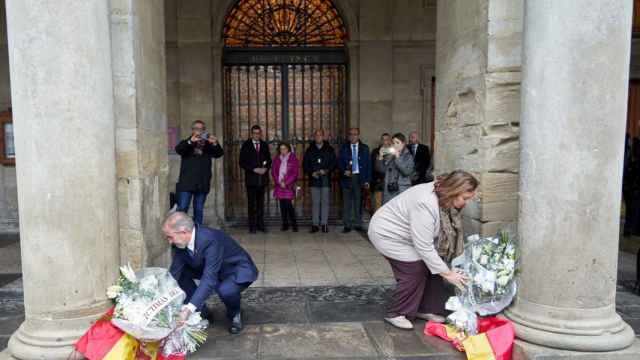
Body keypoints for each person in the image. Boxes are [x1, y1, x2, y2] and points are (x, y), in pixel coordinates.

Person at [368, 170, 478, 330]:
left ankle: (426, 309)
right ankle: (397, 312)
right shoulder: (425, 203)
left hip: (408, 235)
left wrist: (444, 268)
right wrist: (448, 274)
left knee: (433, 267)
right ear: (453, 191)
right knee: (414, 269)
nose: (466, 202)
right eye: (465, 198)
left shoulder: (442, 194)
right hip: (388, 234)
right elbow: (424, 247)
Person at [164, 212, 258, 334]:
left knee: (226, 290)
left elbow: (209, 279)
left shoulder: (209, 239)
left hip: (234, 269)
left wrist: (187, 310)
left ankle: (235, 313)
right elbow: (174, 273)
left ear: (183, 232)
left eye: (170, 237)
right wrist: (158, 298)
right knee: (181, 274)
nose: (169, 241)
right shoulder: (179, 243)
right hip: (210, 267)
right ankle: (201, 310)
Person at [174, 120, 224, 225]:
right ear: (192, 130)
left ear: (204, 131)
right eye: (196, 129)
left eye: (201, 129)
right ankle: (178, 232)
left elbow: (219, 154)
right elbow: (179, 150)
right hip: (187, 183)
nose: (199, 131)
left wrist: (215, 143)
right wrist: (191, 141)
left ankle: (197, 233)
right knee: (182, 208)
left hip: (202, 182)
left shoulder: (208, 145)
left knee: (199, 210)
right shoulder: (186, 143)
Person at [239, 125, 272, 233]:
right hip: (251, 179)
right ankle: (252, 226)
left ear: (260, 134)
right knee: (251, 204)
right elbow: (242, 162)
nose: (256, 135)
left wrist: (265, 168)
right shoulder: (246, 145)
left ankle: (260, 224)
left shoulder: (264, 145)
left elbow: (269, 159)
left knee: (260, 203)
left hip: (262, 179)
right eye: (254, 133)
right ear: (251, 134)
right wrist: (254, 169)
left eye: (258, 133)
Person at [303, 129, 337, 233]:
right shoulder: (310, 149)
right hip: (314, 180)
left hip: (325, 179)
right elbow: (305, 164)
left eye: (320, 135)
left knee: (325, 202)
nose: (318, 137)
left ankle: (324, 224)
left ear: (323, 136)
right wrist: (311, 172)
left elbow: (334, 163)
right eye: (316, 135)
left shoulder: (329, 149)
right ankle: (315, 224)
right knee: (315, 202)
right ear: (314, 137)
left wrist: (326, 170)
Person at [338, 128, 371, 233]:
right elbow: (339, 163)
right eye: (350, 134)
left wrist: (367, 180)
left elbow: (368, 165)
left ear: (358, 135)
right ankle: (347, 225)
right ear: (348, 136)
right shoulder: (343, 148)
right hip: (347, 178)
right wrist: (344, 171)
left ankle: (357, 224)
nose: (352, 136)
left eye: (355, 134)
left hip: (359, 178)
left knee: (358, 202)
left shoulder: (365, 148)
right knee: (347, 203)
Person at [375, 133, 414, 204]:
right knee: (388, 212)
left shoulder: (408, 157)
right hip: (389, 190)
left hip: (401, 190)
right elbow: (381, 170)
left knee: (401, 212)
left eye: (397, 143)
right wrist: (380, 157)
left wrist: (397, 157)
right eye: (393, 143)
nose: (395, 145)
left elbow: (406, 172)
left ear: (403, 143)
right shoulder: (390, 156)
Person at [271, 142, 299, 232]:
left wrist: (286, 182)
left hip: (288, 186)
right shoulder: (276, 159)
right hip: (279, 185)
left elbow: (295, 173)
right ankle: (285, 224)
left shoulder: (293, 158)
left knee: (288, 205)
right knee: (282, 205)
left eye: (285, 149)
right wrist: (279, 182)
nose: (283, 151)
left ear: (288, 149)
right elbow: (274, 171)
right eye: (281, 149)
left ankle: (294, 224)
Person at [371, 133, 392, 213]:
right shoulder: (376, 151)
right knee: (378, 206)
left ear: (390, 141)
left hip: (390, 183)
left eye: (387, 139)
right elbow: (373, 167)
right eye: (383, 139)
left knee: (388, 207)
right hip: (379, 182)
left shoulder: (394, 151)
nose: (385, 141)